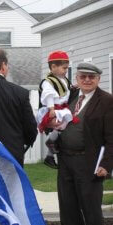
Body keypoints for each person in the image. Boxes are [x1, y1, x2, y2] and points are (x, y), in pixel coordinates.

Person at [56, 62, 113, 225]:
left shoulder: (107, 101)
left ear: (98, 79)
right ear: (77, 78)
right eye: (83, 76)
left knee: (91, 209)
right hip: (66, 160)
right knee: (68, 209)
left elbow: (112, 137)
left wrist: (107, 164)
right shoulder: (71, 95)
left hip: (89, 163)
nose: (87, 80)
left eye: (91, 77)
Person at [37, 50, 74, 169]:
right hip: (53, 109)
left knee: (62, 127)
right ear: (53, 67)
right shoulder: (48, 82)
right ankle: (50, 142)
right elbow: (48, 95)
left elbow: (67, 90)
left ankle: (50, 155)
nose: (66, 70)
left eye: (67, 68)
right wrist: (51, 108)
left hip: (62, 108)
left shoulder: (64, 80)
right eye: (64, 68)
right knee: (61, 124)